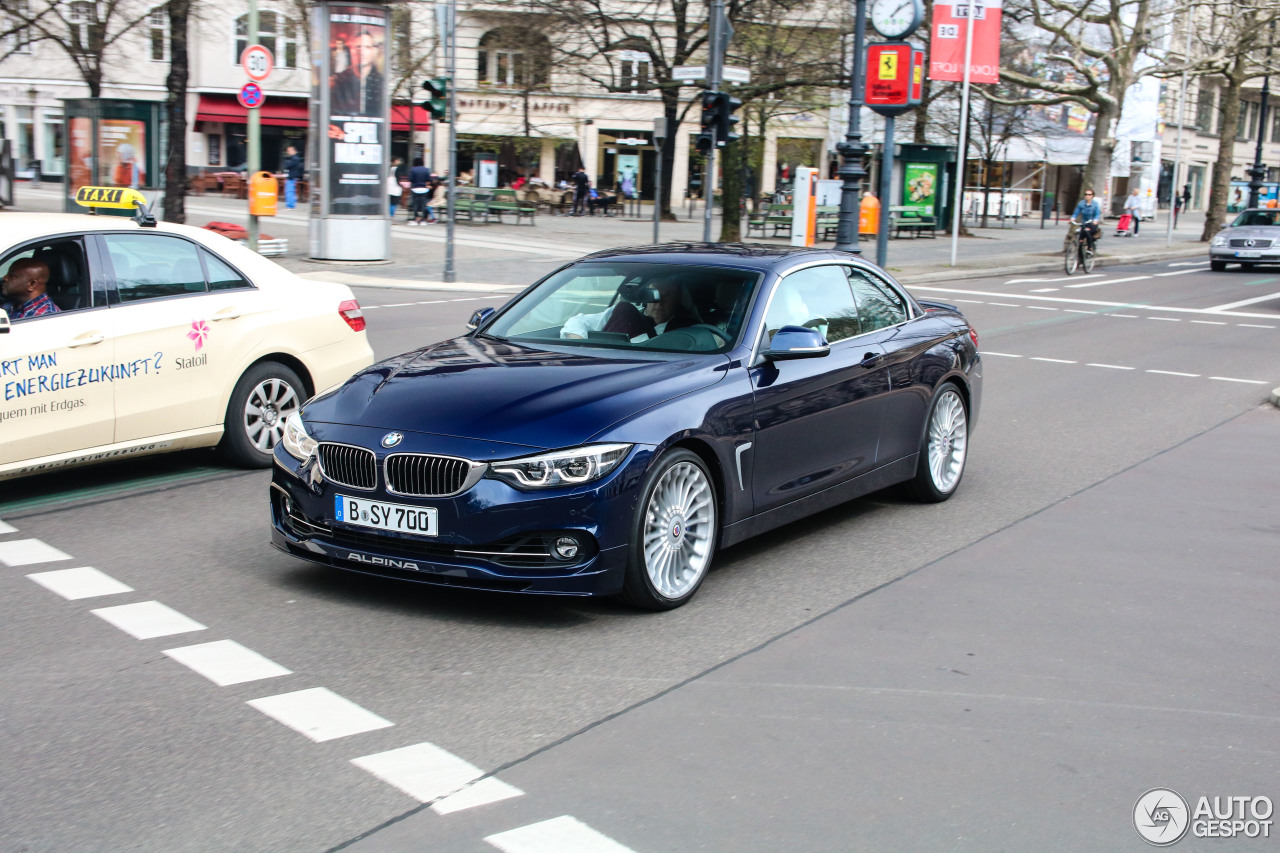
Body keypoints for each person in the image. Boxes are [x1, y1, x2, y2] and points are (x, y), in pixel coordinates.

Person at [561, 278, 699, 341]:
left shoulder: (687, 329)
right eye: (654, 293)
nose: (659, 300)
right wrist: (578, 345)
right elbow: (579, 321)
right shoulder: (622, 313)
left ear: (678, 299)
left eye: (668, 295)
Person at [331, 28, 383, 116]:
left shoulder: (380, 82)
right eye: (358, 47)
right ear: (351, 50)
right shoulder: (338, 81)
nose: (362, 52)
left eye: (367, 47)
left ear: (373, 51)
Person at [408, 157, 432, 224]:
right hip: (424, 189)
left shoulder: (413, 169)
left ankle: (416, 218)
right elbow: (429, 179)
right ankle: (423, 219)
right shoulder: (426, 169)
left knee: (415, 204)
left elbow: (410, 179)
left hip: (415, 188)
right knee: (423, 204)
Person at [283, 145, 304, 209]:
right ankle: (290, 204)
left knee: (290, 191)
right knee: (290, 191)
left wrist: (287, 162)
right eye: (288, 151)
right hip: (293, 176)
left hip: (292, 177)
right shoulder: (295, 158)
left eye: (289, 151)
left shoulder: (294, 158)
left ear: (294, 151)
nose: (288, 152)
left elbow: (288, 165)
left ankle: (290, 205)